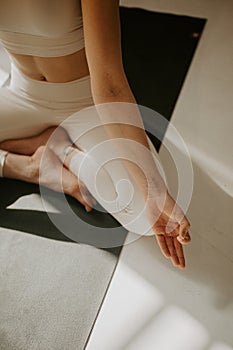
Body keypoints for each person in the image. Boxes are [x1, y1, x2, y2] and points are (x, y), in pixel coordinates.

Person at [0, 0, 190, 268]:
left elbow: (110, 85)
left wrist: (154, 189)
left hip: (85, 101)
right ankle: (26, 166)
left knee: (145, 216)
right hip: (24, 96)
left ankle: (61, 149)